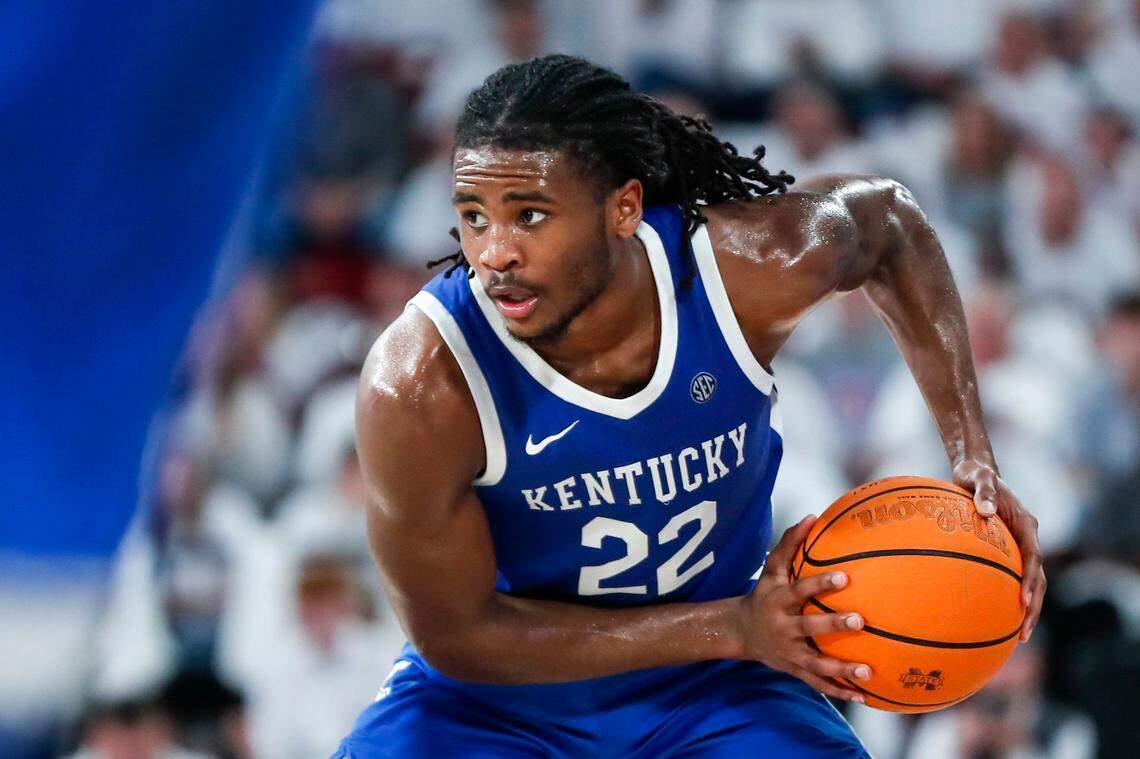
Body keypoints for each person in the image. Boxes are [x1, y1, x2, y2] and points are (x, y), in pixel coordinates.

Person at [335, 55, 1045, 758]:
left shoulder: (739, 272)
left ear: (623, 206)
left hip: (711, 686)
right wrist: (734, 626)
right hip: (495, 700)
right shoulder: (422, 382)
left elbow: (889, 223)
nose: (495, 254)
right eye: (473, 217)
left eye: (529, 215)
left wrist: (971, 455)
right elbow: (459, 635)